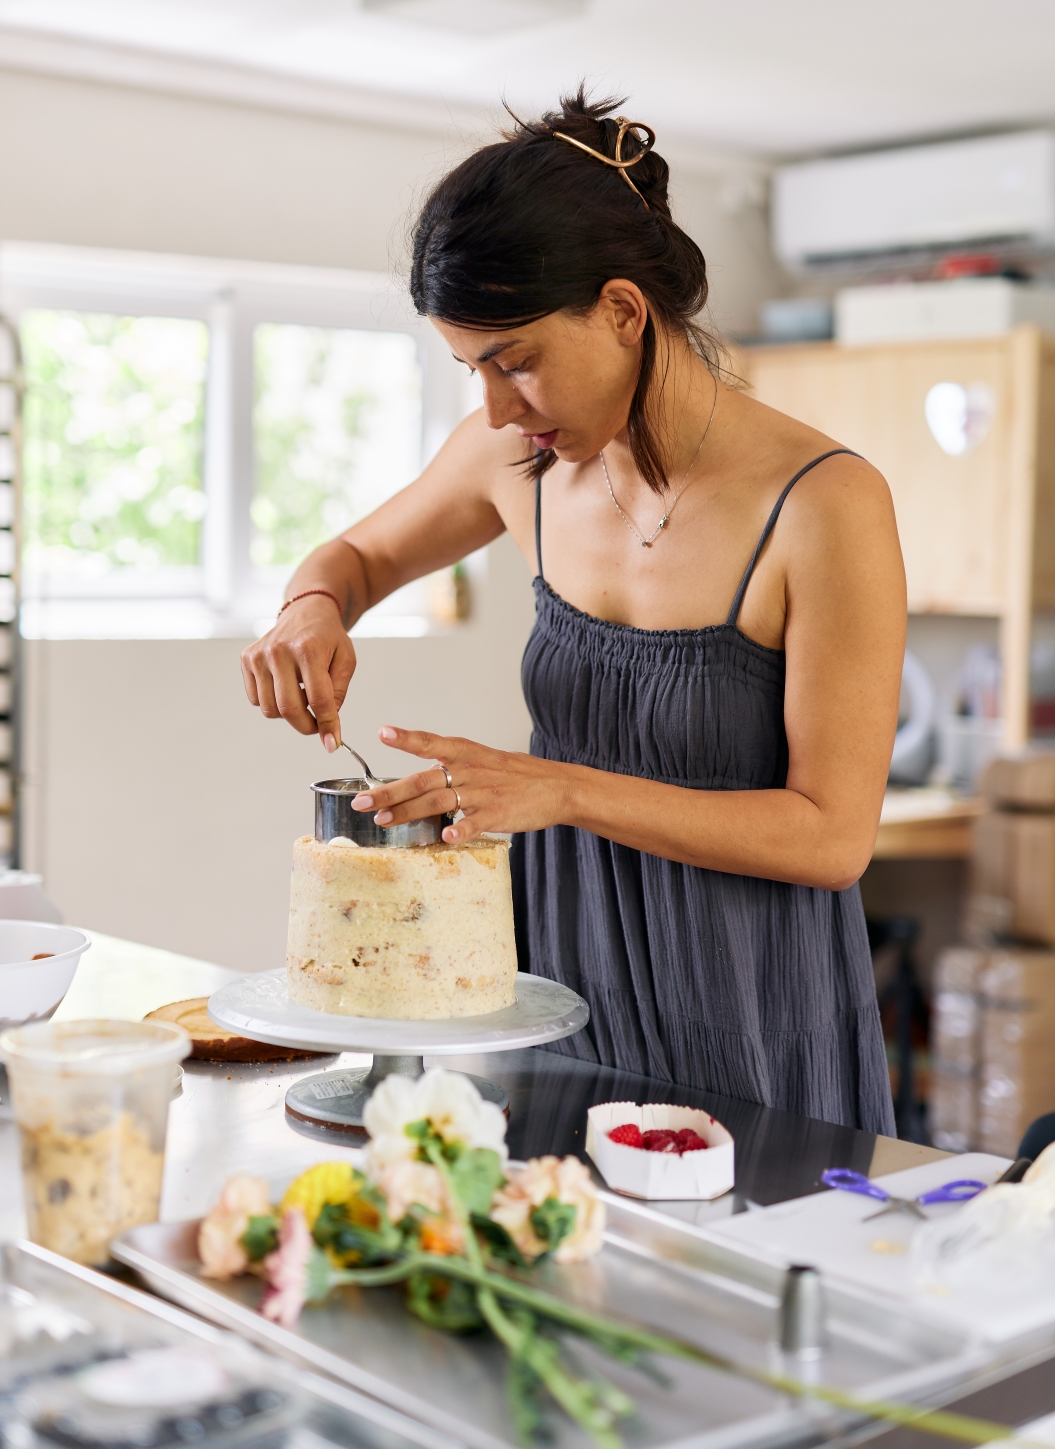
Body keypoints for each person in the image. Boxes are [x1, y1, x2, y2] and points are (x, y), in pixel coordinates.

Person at [241, 90, 905, 1135]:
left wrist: (561, 788)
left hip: (753, 1012)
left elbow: (832, 836)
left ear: (624, 311)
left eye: (515, 360)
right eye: (473, 369)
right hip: (553, 997)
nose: (498, 408)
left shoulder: (825, 505)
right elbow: (359, 554)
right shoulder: (517, 459)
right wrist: (310, 607)